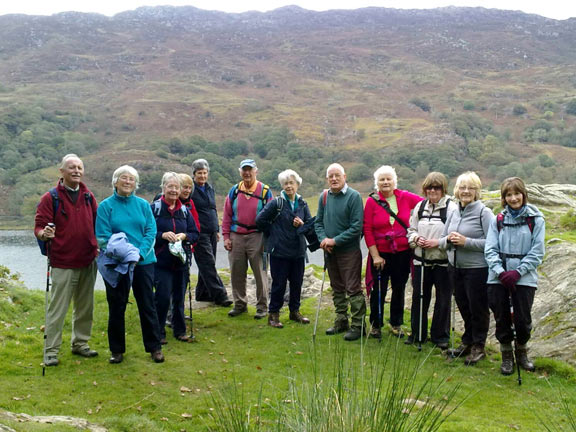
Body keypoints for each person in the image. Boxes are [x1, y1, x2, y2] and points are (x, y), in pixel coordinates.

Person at [95, 165, 165, 364]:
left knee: (147, 304)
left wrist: (139, 254)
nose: (128, 182)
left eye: (131, 179)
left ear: (136, 183)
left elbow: (151, 232)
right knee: (116, 305)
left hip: (144, 262)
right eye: (123, 178)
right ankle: (116, 350)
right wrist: (126, 254)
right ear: (115, 181)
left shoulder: (143, 205)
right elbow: (102, 237)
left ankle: (154, 347)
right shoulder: (106, 206)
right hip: (116, 264)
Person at [34, 154, 99, 367]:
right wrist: (45, 234)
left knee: (85, 307)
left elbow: (99, 225)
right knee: (57, 309)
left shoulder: (89, 197)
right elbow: (39, 226)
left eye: (79, 167)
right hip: (62, 262)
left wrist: (98, 245)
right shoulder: (49, 198)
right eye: (71, 167)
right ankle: (50, 351)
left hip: (88, 261)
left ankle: (80, 344)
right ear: (62, 171)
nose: (76, 171)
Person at [485, 177, 545, 375]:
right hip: (498, 276)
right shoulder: (498, 220)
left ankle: (521, 352)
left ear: (523, 194)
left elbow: (537, 251)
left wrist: (518, 271)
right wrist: (501, 272)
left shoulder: (535, 219)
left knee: (522, 319)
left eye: (516, 193)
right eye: (508, 195)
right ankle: (506, 356)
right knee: (501, 317)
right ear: (504, 198)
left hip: (524, 277)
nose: (513, 198)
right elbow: (490, 249)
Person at [438, 171, 494, 365]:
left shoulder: (484, 213)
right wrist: (448, 241)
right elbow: (443, 239)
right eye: (462, 187)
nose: (466, 191)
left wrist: (466, 241)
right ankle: (467, 342)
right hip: (455, 268)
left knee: (478, 308)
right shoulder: (454, 211)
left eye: (471, 188)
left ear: (477, 191)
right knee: (463, 305)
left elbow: (492, 244)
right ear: (456, 190)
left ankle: (479, 346)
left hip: (477, 269)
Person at [363, 165, 422, 339]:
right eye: (382, 179)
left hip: (403, 253)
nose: (386, 182)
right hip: (380, 254)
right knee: (378, 290)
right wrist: (375, 256)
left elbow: (425, 204)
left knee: (399, 288)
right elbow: (367, 229)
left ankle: (396, 323)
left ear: (395, 181)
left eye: (389, 179)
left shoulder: (405, 197)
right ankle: (376, 325)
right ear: (377, 183)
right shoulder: (372, 202)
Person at [256, 169, 312, 328]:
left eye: (291, 183)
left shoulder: (303, 203)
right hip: (279, 251)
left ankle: (295, 312)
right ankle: (273, 315)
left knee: (297, 283)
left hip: (298, 251)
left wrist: (302, 224)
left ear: (297, 185)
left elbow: (309, 226)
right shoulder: (276, 203)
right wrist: (273, 232)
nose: (288, 186)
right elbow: (259, 220)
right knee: (279, 284)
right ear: (282, 186)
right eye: (285, 183)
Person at [315, 163, 366, 341]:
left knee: (353, 288)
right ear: (327, 179)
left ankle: (358, 325)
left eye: (337, 175)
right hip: (329, 251)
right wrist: (323, 240)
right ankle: (341, 320)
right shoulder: (324, 197)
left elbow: (356, 228)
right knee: (337, 287)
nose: (334, 179)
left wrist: (334, 240)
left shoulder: (354, 197)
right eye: (331, 176)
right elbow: (318, 223)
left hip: (349, 251)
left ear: (345, 176)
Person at [406, 172, 457, 349]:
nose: (433, 191)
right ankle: (417, 333)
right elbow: (411, 230)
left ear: (443, 189)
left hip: (443, 262)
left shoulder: (451, 208)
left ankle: (440, 336)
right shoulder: (420, 207)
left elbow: (455, 235)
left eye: (437, 188)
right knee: (419, 297)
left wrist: (438, 243)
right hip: (421, 261)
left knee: (443, 299)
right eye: (429, 187)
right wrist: (415, 239)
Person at [152, 172, 199, 344]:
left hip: (181, 262)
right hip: (161, 262)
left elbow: (195, 233)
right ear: (163, 188)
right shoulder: (154, 209)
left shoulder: (185, 211)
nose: (173, 190)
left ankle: (180, 331)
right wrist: (162, 235)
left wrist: (184, 236)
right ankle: (158, 333)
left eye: (176, 187)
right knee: (162, 297)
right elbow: (147, 233)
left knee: (179, 297)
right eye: (170, 186)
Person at [222, 159, 273, 319]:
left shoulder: (265, 192)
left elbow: (272, 217)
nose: (247, 173)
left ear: (256, 171)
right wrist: (226, 237)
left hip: (258, 236)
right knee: (237, 272)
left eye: (250, 169)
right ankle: (240, 304)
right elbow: (226, 216)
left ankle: (262, 307)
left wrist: (268, 240)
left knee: (261, 272)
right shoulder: (234, 191)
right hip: (236, 236)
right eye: (244, 170)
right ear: (240, 172)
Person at [188, 161, 232, 306]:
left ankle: (202, 293)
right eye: (199, 173)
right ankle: (221, 295)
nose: (202, 175)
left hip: (211, 231)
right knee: (208, 263)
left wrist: (216, 230)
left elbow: (212, 209)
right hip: (199, 233)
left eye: (205, 172)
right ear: (194, 174)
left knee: (206, 263)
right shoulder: (191, 190)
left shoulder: (209, 188)